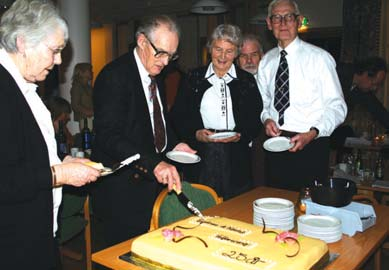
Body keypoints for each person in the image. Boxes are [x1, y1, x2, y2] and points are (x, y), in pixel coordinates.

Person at [0, 1, 100, 269]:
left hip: (36, 236)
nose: (58, 61)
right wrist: (59, 175)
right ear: (22, 42)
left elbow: (23, 156)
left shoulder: (24, 86)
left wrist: (63, 163)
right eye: (54, 51)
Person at [91, 15, 195, 247]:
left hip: (150, 186)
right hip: (121, 192)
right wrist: (153, 163)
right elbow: (109, 136)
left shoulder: (155, 72)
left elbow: (156, 123)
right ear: (141, 41)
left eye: (172, 55)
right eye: (161, 53)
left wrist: (174, 143)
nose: (166, 62)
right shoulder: (114, 76)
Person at [257, 0, 347, 191]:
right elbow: (263, 103)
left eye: (288, 17)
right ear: (268, 23)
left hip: (311, 144)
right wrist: (266, 120)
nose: (283, 23)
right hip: (276, 145)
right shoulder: (266, 62)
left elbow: (338, 107)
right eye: (277, 18)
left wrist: (313, 133)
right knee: (277, 205)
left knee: (310, 210)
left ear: (298, 21)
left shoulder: (320, 59)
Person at [170, 24, 262, 199]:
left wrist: (241, 134)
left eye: (229, 51)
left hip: (236, 154)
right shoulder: (193, 78)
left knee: (236, 204)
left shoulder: (246, 81)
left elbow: (255, 118)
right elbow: (178, 115)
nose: (223, 56)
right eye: (218, 49)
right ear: (210, 49)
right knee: (203, 202)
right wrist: (196, 133)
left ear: (236, 54)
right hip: (202, 152)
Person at [70, 62, 93, 131]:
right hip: (85, 119)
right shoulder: (77, 87)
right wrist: (89, 112)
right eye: (89, 70)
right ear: (81, 72)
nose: (92, 72)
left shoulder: (88, 87)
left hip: (90, 118)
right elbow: (75, 105)